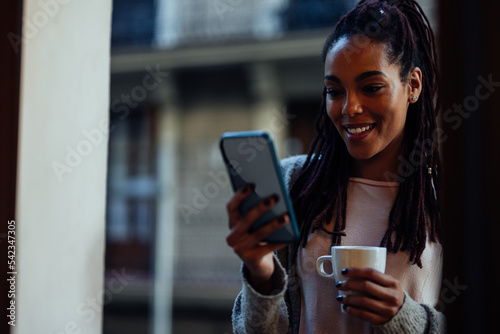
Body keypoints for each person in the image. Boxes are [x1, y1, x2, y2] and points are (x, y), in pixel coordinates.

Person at [226, 0, 446, 333]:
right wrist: (260, 272)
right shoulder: (298, 183)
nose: (349, 108)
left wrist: (405, 317)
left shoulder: (447, 198)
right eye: (334, 91)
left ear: (412, 85)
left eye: (371, 88)